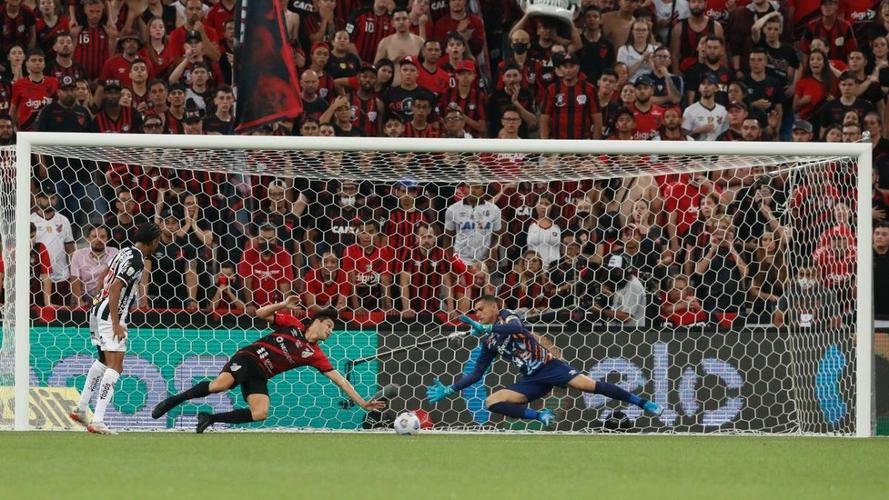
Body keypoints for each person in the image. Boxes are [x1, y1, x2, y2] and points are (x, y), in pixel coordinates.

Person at [426, 295, 663, 427]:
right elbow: (477, 373)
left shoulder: (507, 317)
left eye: (480, 309)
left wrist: (487, 328)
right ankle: (540, 416)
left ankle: (643, 403)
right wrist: (450, 389)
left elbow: (517, 328)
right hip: (532, 380)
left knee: (587, 385)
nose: (477, 314)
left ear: (494, 307)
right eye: (475, 312)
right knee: (491, 401)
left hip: (551, 367)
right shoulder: (489, 342)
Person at [151, 301, 386, 433]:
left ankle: (209, 419)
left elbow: (341, 381)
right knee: (220, 385)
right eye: (329, 326)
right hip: (249, 358)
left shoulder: (315, 354)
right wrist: (283, 304)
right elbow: (261, 313)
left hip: (260, 374)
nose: (331, 331)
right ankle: (172, 401)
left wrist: (363, 403)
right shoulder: (293, 324)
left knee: (260, 413)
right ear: (317, 321)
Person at [69, 222, 162, 434]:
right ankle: (98, 420)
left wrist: (99, 301)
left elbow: (102, 277)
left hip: (97, 309)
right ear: (154, 241)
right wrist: (115, 322)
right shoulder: (137, 260)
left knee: (103, 360)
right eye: (158, 241)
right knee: (115, 366)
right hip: (111, 314)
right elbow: (115, 287)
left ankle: (81, 409)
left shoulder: (125, 251)